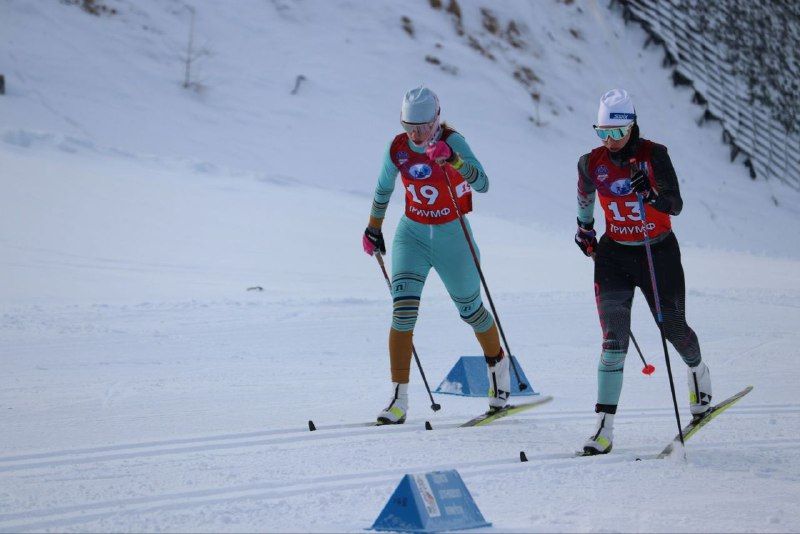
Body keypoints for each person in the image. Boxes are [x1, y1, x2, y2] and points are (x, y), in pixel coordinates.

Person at [574, 88, 712, 455]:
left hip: (658, 252)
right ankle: (603, 429)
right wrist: (584, 229)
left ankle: (697, 372)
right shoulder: (591, 163)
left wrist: (650, 194)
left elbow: (675, 204)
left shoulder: (654, 155)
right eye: (603, 133)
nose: (610, 141)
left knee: (673, 328)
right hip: (614, 254)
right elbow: (585, 198)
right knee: (613, 341)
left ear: (631, 126)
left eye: (616, 133)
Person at [362, 86, 509, 424]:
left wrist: (454, 161)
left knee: (471, 311)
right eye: (408, 126)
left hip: (452, 236)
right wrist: (373, 227)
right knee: (403, 313)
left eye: (423, 127)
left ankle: (499, 376)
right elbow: (384, 188)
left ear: (437, 120)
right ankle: (397, 400)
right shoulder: (398, 148)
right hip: (411, 235)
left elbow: (483, 183)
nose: (415, 134)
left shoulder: (454, 142)